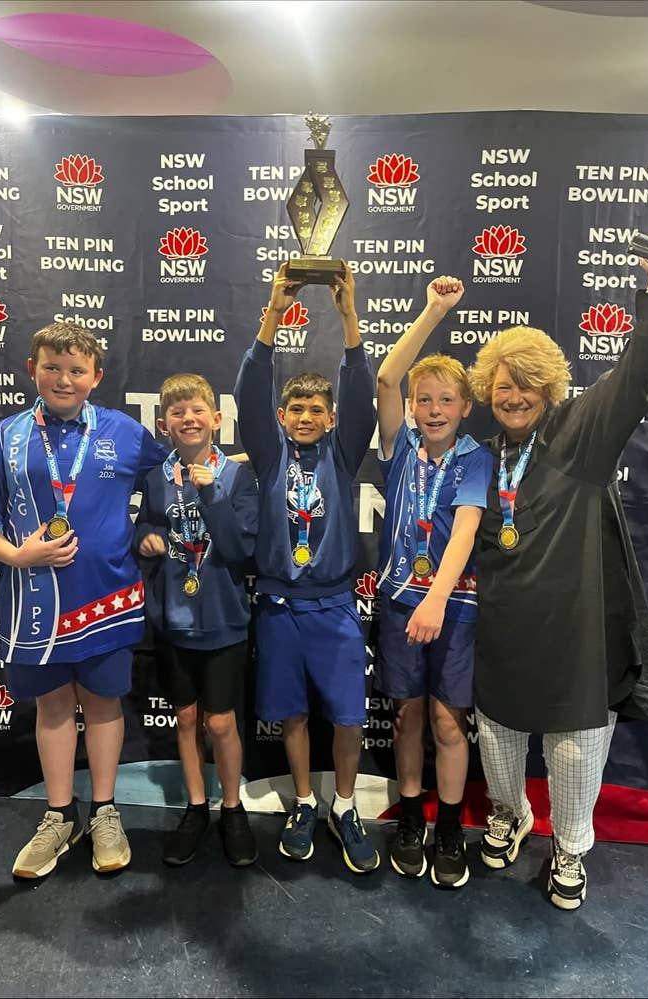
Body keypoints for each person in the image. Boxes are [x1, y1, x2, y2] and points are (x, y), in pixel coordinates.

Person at [465, 232, 648, 910]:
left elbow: (634, 372)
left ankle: (569, 848)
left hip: (578, 635)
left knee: (575, 752)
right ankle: (508, 818)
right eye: (504, 385)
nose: (515, 396)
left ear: (550, 387)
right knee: (498, 745)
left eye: (528, 384)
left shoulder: (581, 433)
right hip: (504, 633)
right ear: (487, 391)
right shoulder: (480, 458)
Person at [0, 321, 167, 879]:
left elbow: (173, 482)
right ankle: (58, 816)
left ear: (96, 376)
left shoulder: (125, 432)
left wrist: (154, 525)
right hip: (35, 603)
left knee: (103, 704)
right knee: (52, 708)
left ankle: (105, 812)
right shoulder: (2, 438)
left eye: (76, 370)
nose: (64, 379)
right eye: (52, 367)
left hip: (109, 598)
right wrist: (18, 555)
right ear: (33, 370)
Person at [234, 261, 380, 873]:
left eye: (317, 409)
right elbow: (249, 390)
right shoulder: (269, 457)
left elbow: (361, 391)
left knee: (347, 715)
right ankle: (303, 801)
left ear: (332, 418)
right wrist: (273, 312)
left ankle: (344, 805)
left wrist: (348, 316)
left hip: (335, 605)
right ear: (282, 416)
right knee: (291, 712)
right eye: (295, 408)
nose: (305, 417)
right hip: (278, 607)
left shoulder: (343, 456)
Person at [374, 276, 492, 888]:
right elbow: (385, 379)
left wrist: (437, 601)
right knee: (407, 718)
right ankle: (411, 819)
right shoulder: (400, 448)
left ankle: (448, 826)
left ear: (465, 407)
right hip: (400, 602)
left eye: (447, 400)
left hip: (453, 606)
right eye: (425, 400)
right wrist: (433, 311)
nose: (435, 409)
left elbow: (467, 530)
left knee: (449, 722)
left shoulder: (475, 457)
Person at [135, 373, 259, 868]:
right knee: (186, 717)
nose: (188, 419)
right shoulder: (156, 478)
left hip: (224, 619)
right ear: (164, 425)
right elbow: (148, 521)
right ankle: (195, 807)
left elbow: (239, 549)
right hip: (174, 619)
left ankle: (232, 809)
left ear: (217, 419)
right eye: (177, 413)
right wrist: (144, 537)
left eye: (197, 410)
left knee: (221, 721)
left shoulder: (237, 477)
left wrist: (212, 497)